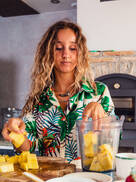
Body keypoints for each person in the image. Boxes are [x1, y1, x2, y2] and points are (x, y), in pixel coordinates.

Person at [2, 20, 115, 163]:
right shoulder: (38, 100)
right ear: (48, 52)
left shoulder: (98, 92)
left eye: (73, 48)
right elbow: (27, 147)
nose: (66, 54)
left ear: (80, 53)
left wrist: (103, 115)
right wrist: (15, 132)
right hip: (51, 181)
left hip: (89, 180)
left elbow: (115, 137)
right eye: (59, 48)